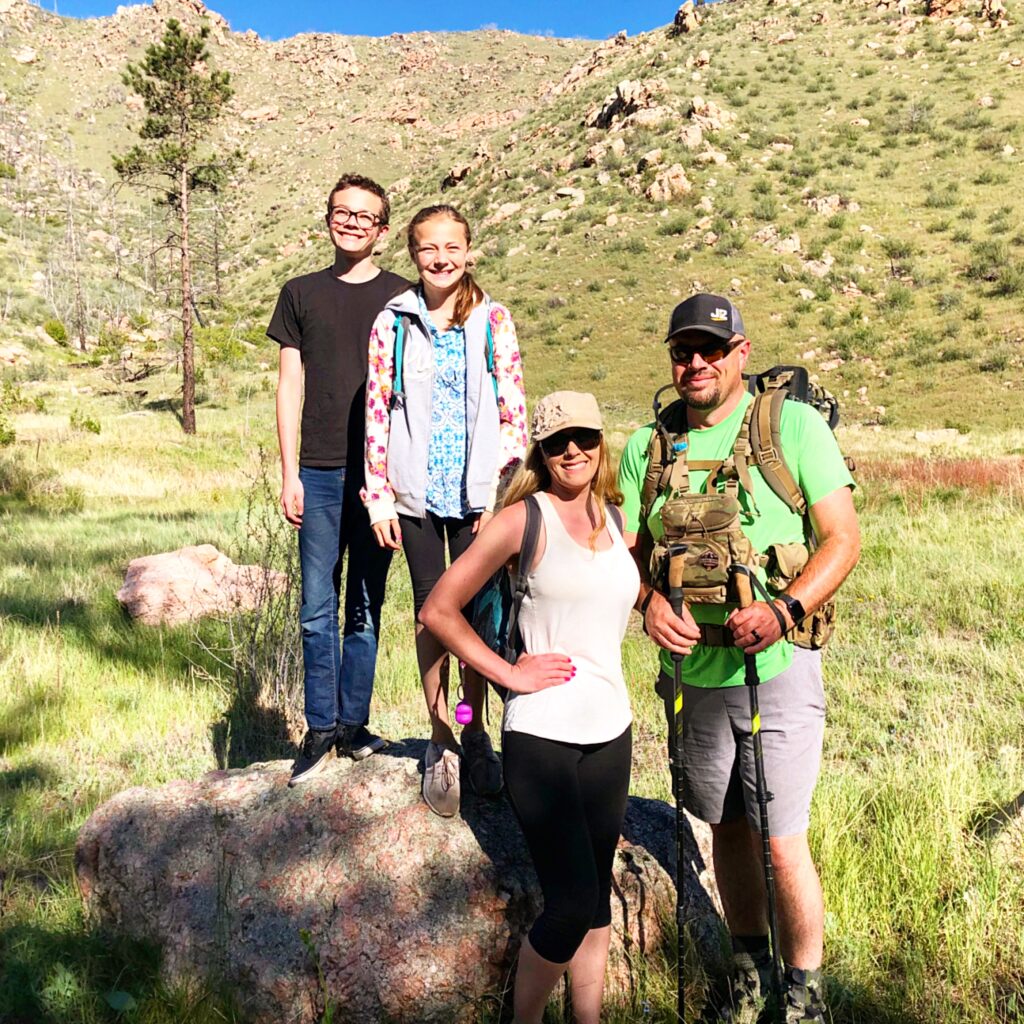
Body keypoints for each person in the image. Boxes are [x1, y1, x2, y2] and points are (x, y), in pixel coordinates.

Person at [617, 294, 860, 1023]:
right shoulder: (645, 447)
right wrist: (648, 603)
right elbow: (625, 551)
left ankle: (804, 996)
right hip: (694, 673)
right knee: (723, 828)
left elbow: (841, 538)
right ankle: (749, 975)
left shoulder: (793, 426)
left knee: (782, 844)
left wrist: (786, 611)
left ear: (741, 354)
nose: (695, 363)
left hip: (777, 667)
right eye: (682, 351)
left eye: (710, 350)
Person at [420, 391, 639, 1024]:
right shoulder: (525, 520)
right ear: (541, 453)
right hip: (541, 734)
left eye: (584, 438)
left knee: (595, 898)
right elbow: (438, 609)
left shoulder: (619, 522)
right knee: (569, 904)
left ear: (602, 443)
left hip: (611, 729)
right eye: (556, 442)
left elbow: (629, 597)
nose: (573, 451)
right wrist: (508, 672)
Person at [362, 203, 527, 817]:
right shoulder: (394, 322)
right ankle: (440, 736)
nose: (441, 258)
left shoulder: (492, 321)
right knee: (432, 615)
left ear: (469, 250)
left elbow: (515, 414)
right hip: (415, 498)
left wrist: (502, 495)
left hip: (478, 499)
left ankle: (474, 726)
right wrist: (378, 494)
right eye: (429, 248)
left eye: (452, 246)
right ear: (413, 254)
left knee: (478, 616)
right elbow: (377, 413)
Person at [268, 172, 412, 786]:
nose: (351, 222)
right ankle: (319, 727)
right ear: (328, 218)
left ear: (382, 230)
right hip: (320, 472)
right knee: (315, 607)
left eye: (364, 215)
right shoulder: (299, 293)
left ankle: (354, 727)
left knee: (366, 603)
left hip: (381, 480)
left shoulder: (405, 296)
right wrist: (288, 471)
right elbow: (289, 385)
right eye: (341, 212)